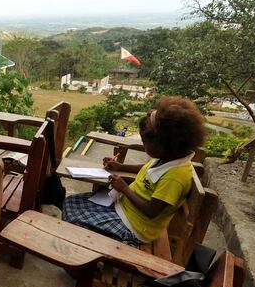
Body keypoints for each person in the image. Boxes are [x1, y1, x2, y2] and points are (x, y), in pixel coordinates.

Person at [63, 96, 205, 246]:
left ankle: (81, 266)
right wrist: (121, 166)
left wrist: (124, 188)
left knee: (74, 224)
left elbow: (151, 211)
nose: (144, 147)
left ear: (164, 145)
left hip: (135, 227)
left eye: (145, 143)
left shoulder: (176, 176)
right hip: (124, 209)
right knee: (71, 202)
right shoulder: (169, 158)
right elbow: (146, 168)